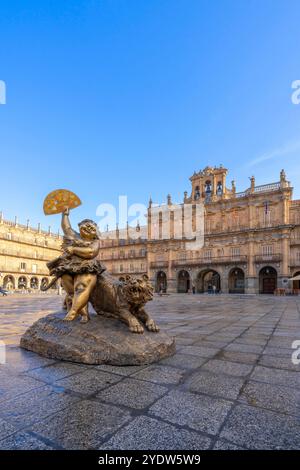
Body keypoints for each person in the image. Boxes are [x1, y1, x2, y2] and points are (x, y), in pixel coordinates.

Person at [47, 207, 105, 323]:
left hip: (86, 266)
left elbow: (90, 252)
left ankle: (74, 312)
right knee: (71, 292)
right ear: (79, 226)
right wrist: (65, 215)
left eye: (92, 228)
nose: (88, 229)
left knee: (81, 288)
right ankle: (84, 313)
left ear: (96, 233)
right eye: (86, 225)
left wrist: (73, 249)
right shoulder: (74, 236)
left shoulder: (95, 242)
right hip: (69, 267)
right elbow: (66, 227)